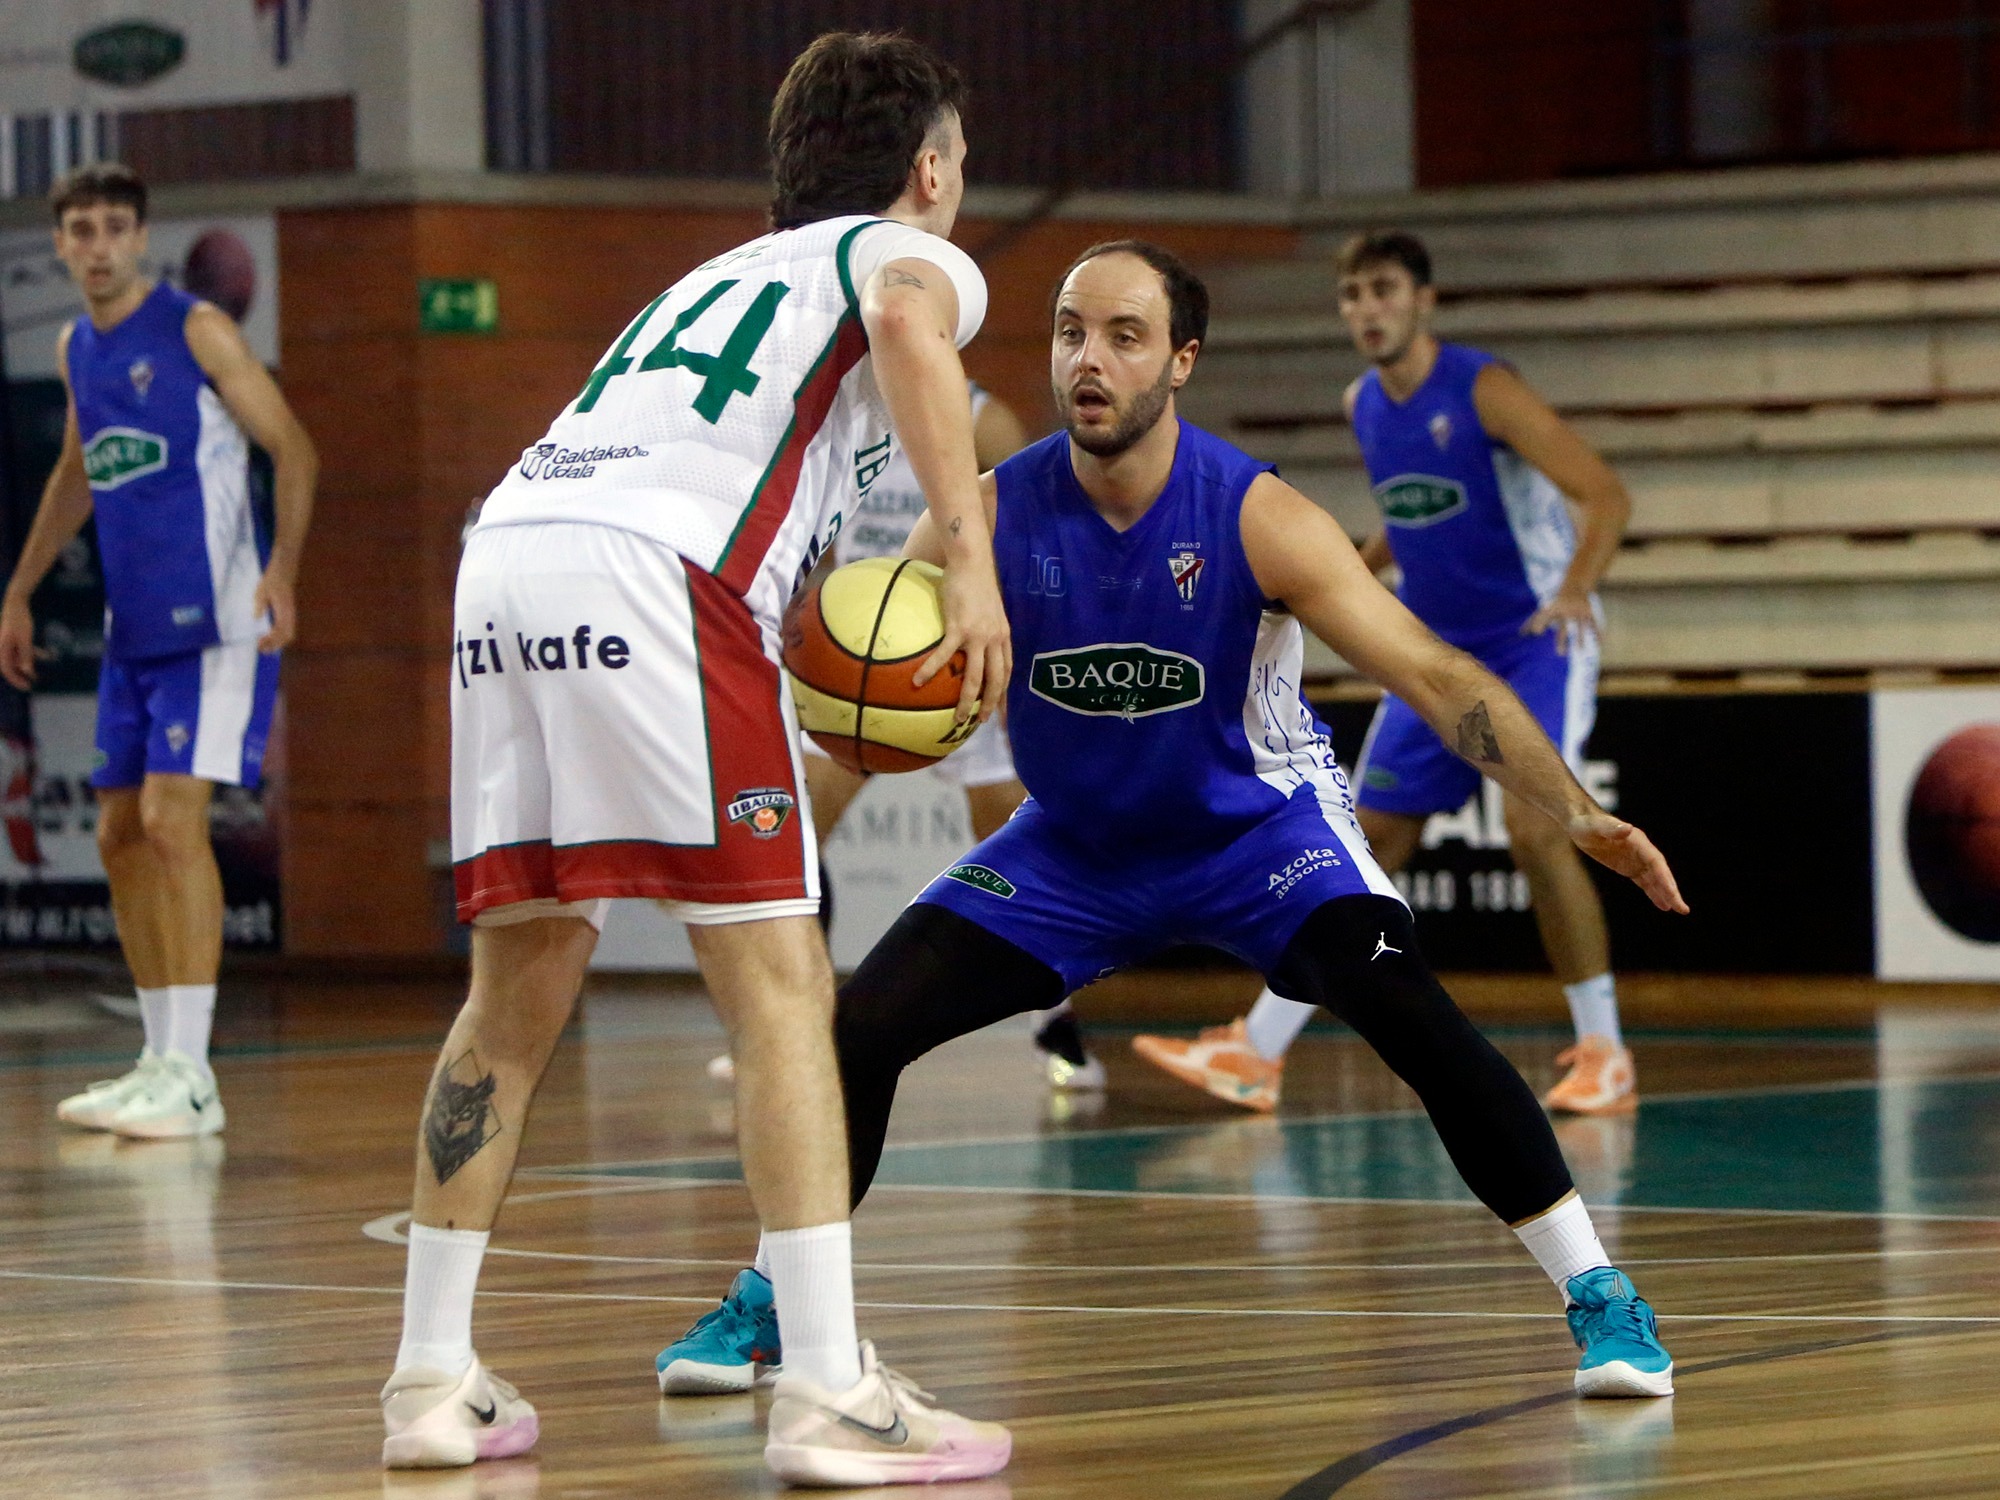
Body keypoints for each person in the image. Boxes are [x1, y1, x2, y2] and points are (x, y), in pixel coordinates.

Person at [658, 241, 1687, 1408]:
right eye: (1068, 332)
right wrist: (877, 694)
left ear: (1180, 360)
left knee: (1413, 1016)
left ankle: (1599, 1293)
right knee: (860, 1026)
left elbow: (1435, 674)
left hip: (1259, 839)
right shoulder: (981, 515)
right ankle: (776, 1302)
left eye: (1123, 336)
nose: (1086, 360)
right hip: (1073, 849)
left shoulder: (1257, 515)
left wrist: (1572, 808)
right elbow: (904, 669)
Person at [380, 33, 1013, 1487]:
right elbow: (908, 324)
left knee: (513, 988)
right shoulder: (906, 258)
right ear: (928, 171)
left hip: (509, 557)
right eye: (960, 163)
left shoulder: (709, 279)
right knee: (781, 981)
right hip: (658, 575)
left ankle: (426, 1378)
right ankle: (830, 1389)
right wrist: (969, 568)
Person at [1134, 228, 1641, 1117]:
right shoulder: (1363, 403)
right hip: (1436, 654)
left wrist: (1574, 589)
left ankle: (1605, 1051)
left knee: (1536, 831)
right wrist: (1337, 575)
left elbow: (1606, 492)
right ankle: (1257, 1051)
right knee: (1358, 843)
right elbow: (1410, 522)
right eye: (1353, 295)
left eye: (1384, 290)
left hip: (1530, 643)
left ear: (1423, 300)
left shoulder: (1483, 388)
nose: (1367, 309)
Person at [0, 163, 314, 1140]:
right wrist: (19, 588)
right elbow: (76, 471)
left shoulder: (196, 329)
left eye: (113, 227)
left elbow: (294, 449)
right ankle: (157, 1060)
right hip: (129, 629)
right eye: (80, 229)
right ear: (61, 244)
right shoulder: (75, 347)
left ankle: (194, 1074)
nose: (97, 245)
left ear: (140, 239)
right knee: (117, 836)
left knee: (174, 823)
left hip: (215, 618)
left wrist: (282, 571)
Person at [705, 386, 1107, 1090]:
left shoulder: (985, 419)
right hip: (858, 658)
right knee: (789, 837)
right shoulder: (838, 417)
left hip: (961, 655)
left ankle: (1057, 1024)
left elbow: (1044, 537)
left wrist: (1024, 654)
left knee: (1022, 851)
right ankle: (792, 1028)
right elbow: (815, 541)